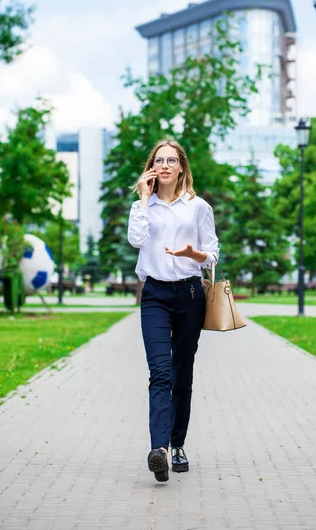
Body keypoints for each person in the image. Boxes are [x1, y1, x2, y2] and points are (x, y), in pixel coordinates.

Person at [128, 138, 219, 482]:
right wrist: (141, 199)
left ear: (181, 167)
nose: (164, 165)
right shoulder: (143, 206)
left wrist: (193, 254)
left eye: (171, 160)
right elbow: (136, 241)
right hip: (154, 295)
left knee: (182, 374)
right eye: (158, 160)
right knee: (160, 374)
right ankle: (160, 450)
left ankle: (178, 443)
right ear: (152, 167)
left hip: (190, 294)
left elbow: (211, 253)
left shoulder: (198, 207)